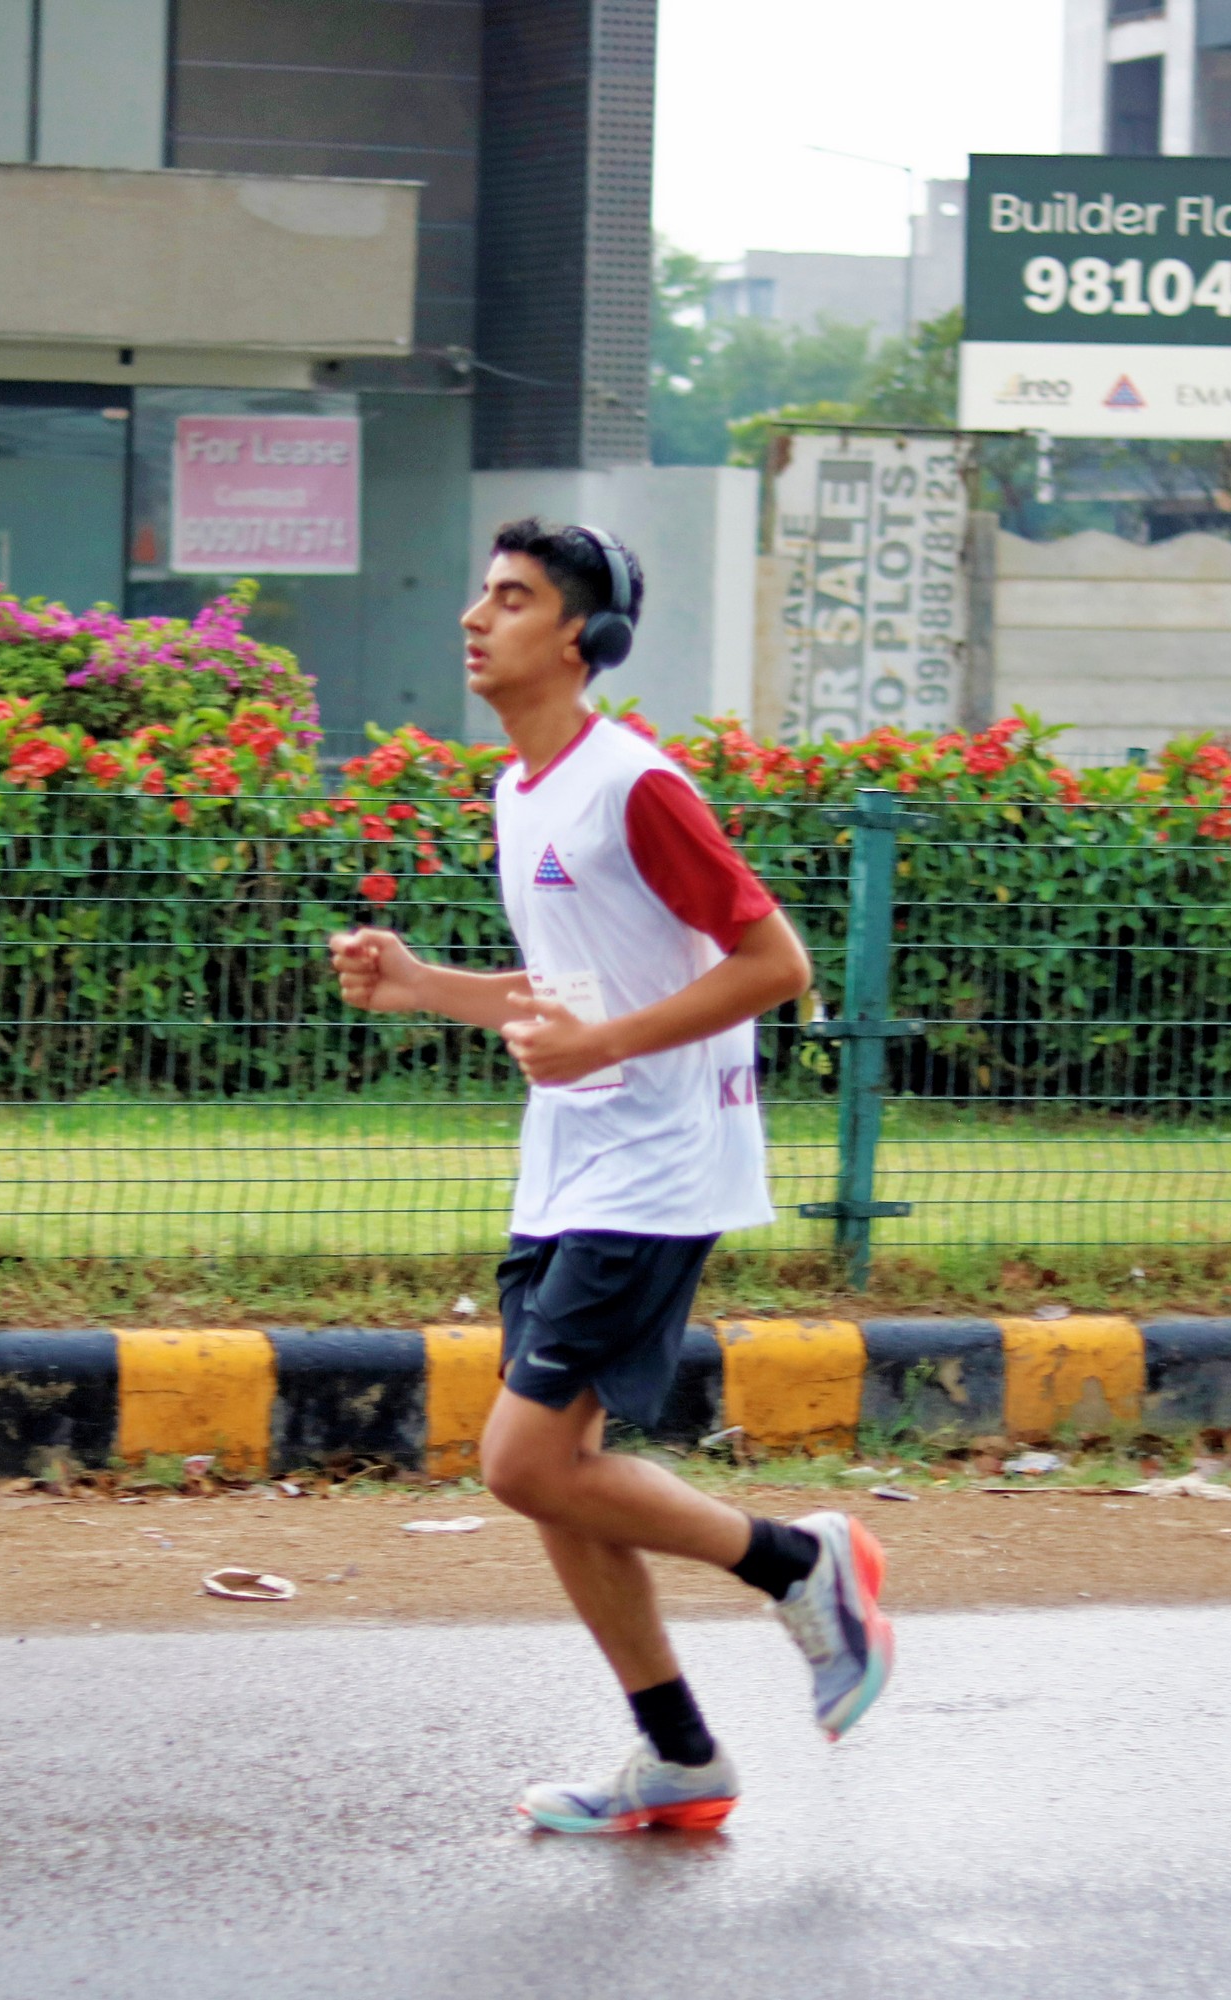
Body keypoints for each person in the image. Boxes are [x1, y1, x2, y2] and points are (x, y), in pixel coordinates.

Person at [328, 519, 894, 1834]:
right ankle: (681, 1756)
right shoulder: (524, 791)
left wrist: (602, 1047)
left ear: (580, 636)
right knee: (555, 1475)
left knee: (523, 1463)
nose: (476, 618)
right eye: (480, 594)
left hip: (656, 1170)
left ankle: (801, 1566)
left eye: (512, 598)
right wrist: (424, 987)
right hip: (569, 1168)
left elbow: (777, 966)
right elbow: (574, 992)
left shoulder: (635, 786)